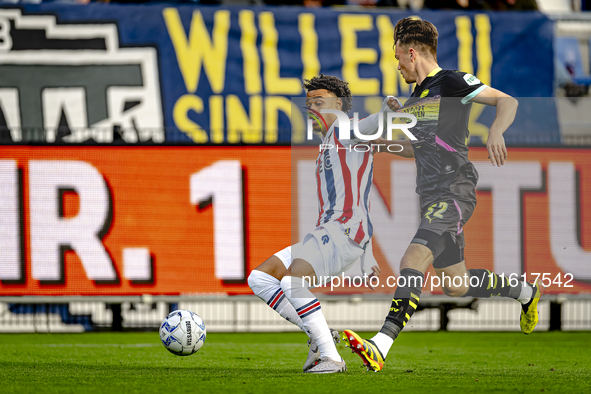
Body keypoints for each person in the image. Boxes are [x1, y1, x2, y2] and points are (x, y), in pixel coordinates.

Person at [342, 17, 541, 372]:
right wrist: (380, 145)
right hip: (431, 197)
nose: (397, 63)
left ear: (412, 52)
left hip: (453, 191)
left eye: (399, 56)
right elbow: (418, 148)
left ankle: (380, 344)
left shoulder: (451, 81)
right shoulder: (416, 97)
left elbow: (506, 101)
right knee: (456, 285)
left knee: (412, 258)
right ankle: (524, 291)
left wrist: (496, 130)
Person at [247, 74, 400, 374]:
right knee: (261, 278)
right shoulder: (330, 143)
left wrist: (385, 113)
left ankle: (331, 358)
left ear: (339, 105)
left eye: (319, 102)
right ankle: (319, 337)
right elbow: (364, 199)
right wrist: (367, 254)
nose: (312, 110)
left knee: (293, 282)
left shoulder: (343, 129)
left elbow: (366, 126)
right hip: (331, 231)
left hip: (341, 232)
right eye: (309, 105)